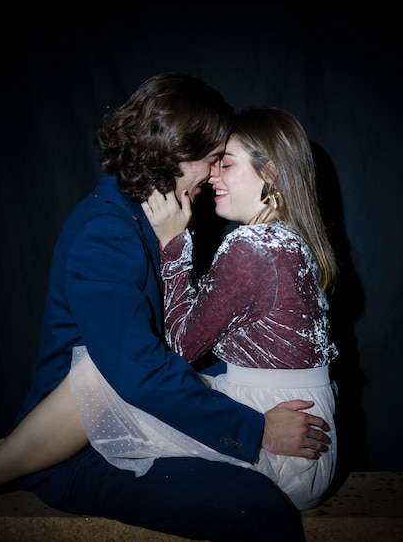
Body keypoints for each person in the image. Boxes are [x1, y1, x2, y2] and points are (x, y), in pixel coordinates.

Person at [0, 74, 331, 541]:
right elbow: (137, 371)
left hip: (121, 412)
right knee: (259, 508)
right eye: (212, 160)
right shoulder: (108, 230)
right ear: (177, 154)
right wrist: (254, 430)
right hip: (84, 444)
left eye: (222, 162)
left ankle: (1, 452)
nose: (211, 175)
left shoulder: (145, 215)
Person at [137, 107, 339, 511]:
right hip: (309, 445)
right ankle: (3, 452)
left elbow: (179, 347)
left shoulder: (252, 245)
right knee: (114, 391)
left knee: (95, 381)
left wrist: (173, 243)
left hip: (283, 455)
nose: (212, 175)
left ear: (270, 173)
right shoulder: (292, 239)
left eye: (225, 163)